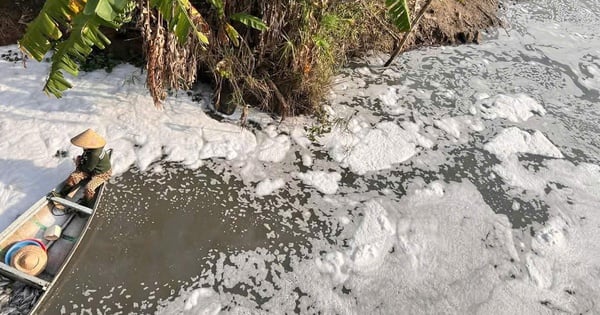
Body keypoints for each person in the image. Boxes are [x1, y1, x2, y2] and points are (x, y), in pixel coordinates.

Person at [52, 129, 112, 207]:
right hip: (90, 168)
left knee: (89, 188)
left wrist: (79, 165)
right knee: (74, 177)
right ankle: (62, 194)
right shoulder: (89, 149)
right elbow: (87, 162)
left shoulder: (94, 154)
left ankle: (86, 204)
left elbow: (87, 169)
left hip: (101, 173)